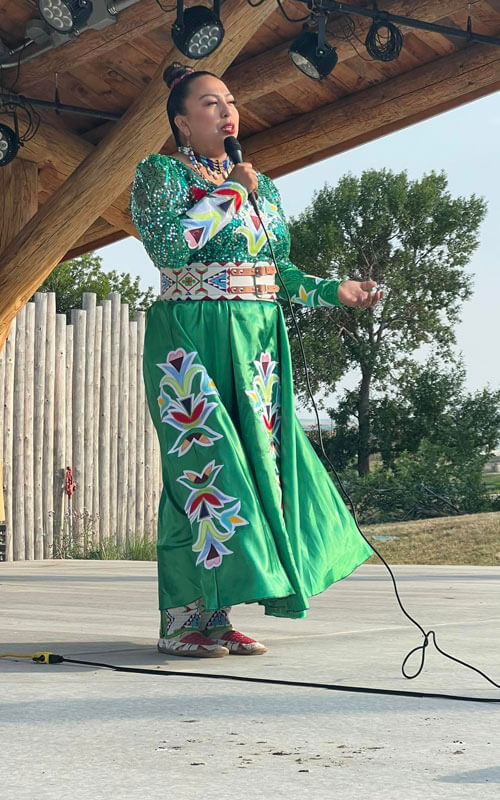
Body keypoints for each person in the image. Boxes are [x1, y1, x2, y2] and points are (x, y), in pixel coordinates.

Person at [130, 62, 384, 659]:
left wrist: (333, 291)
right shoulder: (160, 174)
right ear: (182, 123)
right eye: (211, 103)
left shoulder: (261, 187)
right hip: (191, 335)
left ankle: (217, 617)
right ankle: (180, 618)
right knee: (202, 475)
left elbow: (278, 271)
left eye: (231, 101)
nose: (227, 110)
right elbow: (170, 244)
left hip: (258, 342)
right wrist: (232, 191)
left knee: (254, 472)